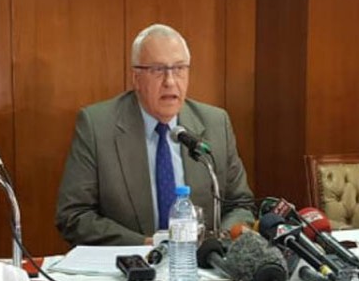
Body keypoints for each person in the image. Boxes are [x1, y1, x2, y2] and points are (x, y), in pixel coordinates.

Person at [56, 23, 254, 245]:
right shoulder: (97, 127)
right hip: (131, 260)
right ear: (136, 78)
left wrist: (217, 241)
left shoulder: (216, 124)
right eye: (158, 70)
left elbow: (240, 205)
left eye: (179, 69)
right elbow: (74, 216)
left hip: (201, 260)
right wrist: (147, 244)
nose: (170, 81)